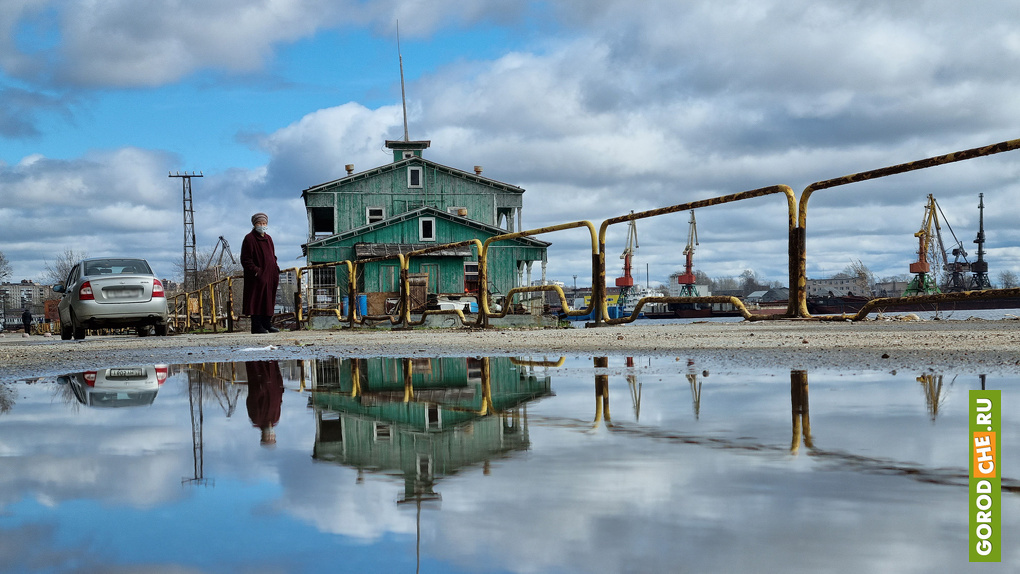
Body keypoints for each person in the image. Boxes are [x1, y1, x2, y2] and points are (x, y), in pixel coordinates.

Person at [241, 212, 280, 334]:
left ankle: (267, 324)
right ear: (254, 224)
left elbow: (272, 255)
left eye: (264, 223)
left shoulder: (269, 238)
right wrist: (256, 271)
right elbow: (245, 259)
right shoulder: (249, 238)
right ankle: (257, 326)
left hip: (271, 274)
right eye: (259, 223)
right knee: (256, 300)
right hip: (257, 276)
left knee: (269, 300)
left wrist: (275, 268)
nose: (262, 225)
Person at [245, 361, 284, 446]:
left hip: (260, 380)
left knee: (257, 362)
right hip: (273, 382)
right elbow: (279, 403)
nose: (271, 435)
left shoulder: (256, 419)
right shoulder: (275, 419)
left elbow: (251, 400)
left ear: (263, 435)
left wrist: (261, 389)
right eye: (272, 436)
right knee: (271, 361)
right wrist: (280, 388)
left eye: (268, 437)